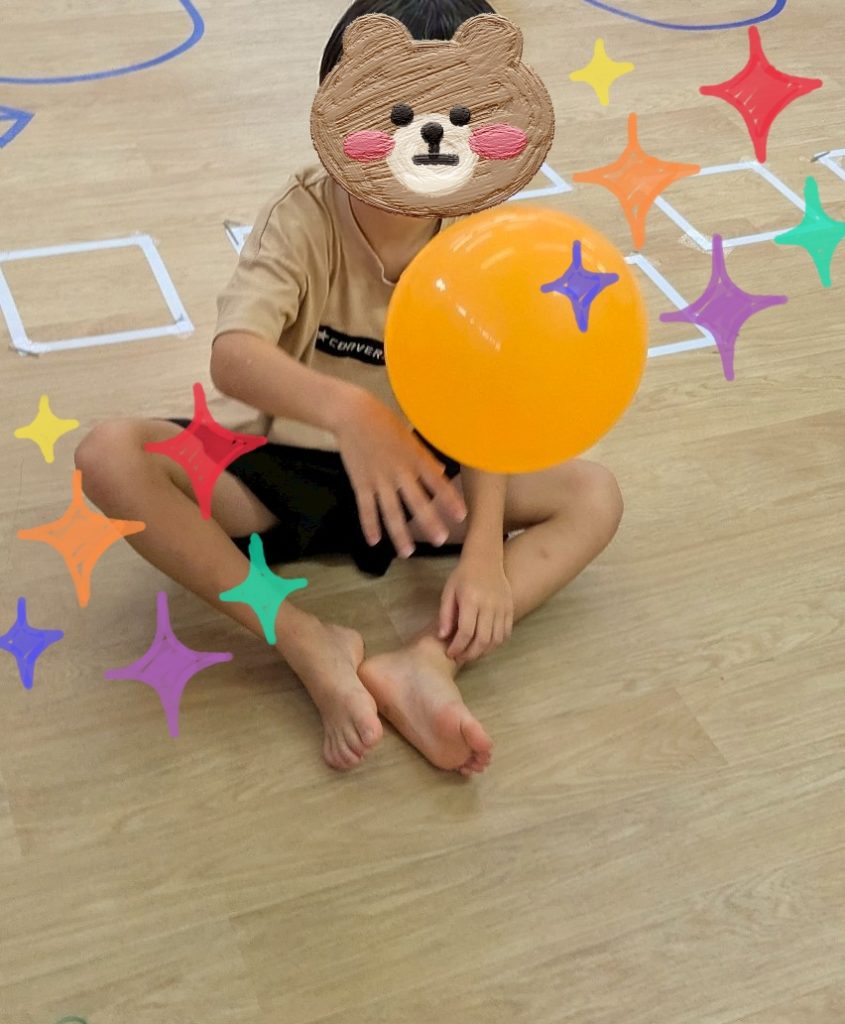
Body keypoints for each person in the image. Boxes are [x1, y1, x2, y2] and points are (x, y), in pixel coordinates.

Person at [75, 0, 623, 777]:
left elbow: (489, 400)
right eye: (395, 115)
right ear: (337, 112)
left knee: (594, 494)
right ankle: (306, 639)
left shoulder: (481, 237)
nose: (424, 141)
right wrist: (350, 410)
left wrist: (483, 556)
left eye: (455, 116)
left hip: (424, 479)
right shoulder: (301, 216)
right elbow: (234, 356)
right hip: (280, 468)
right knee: (109, 455)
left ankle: (425, 663)